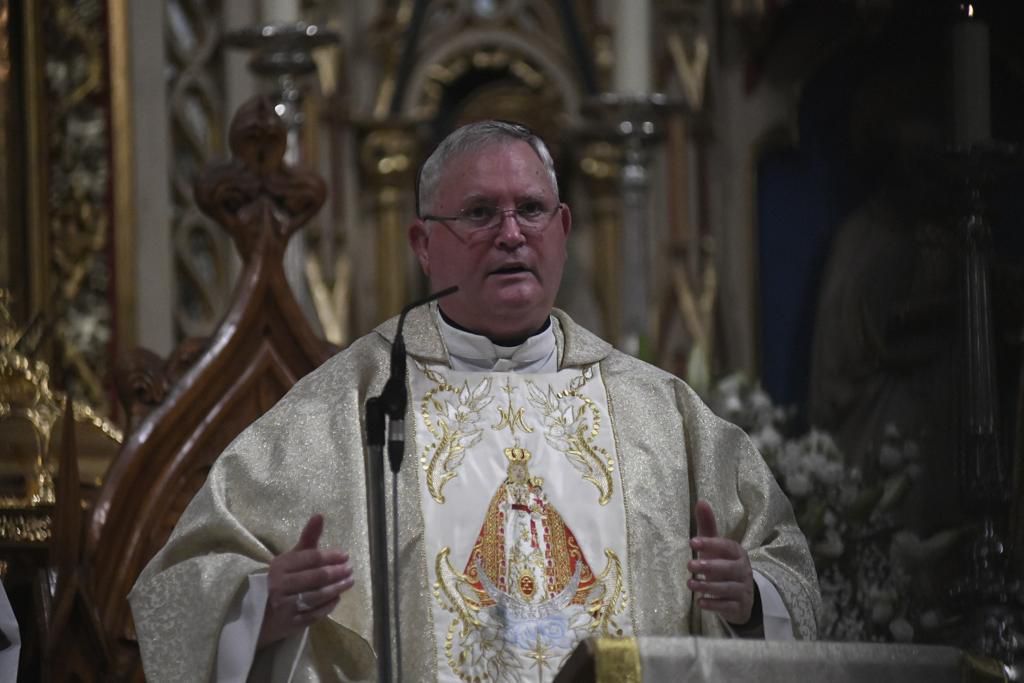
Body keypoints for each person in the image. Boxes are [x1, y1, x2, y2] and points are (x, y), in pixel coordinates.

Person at [130, 121, 820, 682]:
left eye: (530, 210)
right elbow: (180, 587)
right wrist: (262, 605)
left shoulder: (657, 413)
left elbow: (786, 566)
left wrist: (751, 598)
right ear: (424, 244)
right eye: (480, 213)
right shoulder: (349, 406)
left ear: (563, 228)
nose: (511, 233)